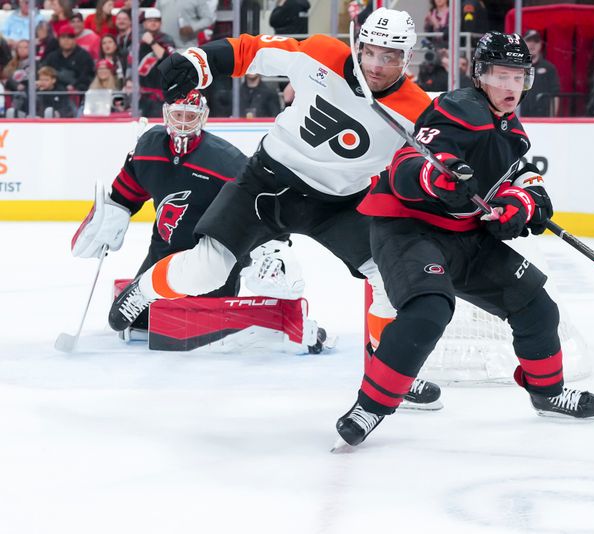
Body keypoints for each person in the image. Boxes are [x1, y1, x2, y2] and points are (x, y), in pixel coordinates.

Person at [107, 7, 442, 409]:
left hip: (340, 201)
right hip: (267, 182)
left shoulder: (419, 111)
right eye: (370, 51)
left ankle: (390, 373)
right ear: (357, 45)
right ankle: (141, 290)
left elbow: (442, 163)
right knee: (206, 269)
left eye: (390, 56)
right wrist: (197, 61)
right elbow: (252, 51)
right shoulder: (321, 52)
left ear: (407, 58)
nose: (377, 64)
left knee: (389, 280)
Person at [334, 31, 594, 448]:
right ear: (480, 76)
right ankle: (370, 406)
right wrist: (438, 177)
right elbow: (411, 165)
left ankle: (548, 393)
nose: (511, 87)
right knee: (428, 310)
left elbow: (521, 180)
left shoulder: (513, 131)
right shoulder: (456, 109)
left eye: (519, 78)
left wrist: (523, 205)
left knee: (537, 306)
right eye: (501, 76)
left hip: (462, 237)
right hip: (409, 227)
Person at [71, 91, 249, 330]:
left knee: (202, 323)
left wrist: (265, 250)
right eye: (178, 114)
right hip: (163, 252)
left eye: (190, 116)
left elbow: (254, 205)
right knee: (141, 322)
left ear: (203, 117)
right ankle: (147, 288)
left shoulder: (226, 161)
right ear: (166, 114)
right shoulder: (148, 148)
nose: (183, 122)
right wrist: (111, 217)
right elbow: (127, 192)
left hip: (209, 256)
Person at [136, 8, 176, 117]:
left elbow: (169, 59)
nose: (153, 23)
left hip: (160, 94)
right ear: (144, 23)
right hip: (141, 94)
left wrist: (152, 42)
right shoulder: (137, 41)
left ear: (161, 23)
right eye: (150, 20)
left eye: (156, 20)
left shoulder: (166, 39)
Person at [42, 25, 95, 93]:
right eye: (63, 37)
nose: (66, 40)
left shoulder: (84, 56)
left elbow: (86, 79)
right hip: (53, 94)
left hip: (77, 94)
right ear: (58, 39)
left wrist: (74, 86)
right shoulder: (52, 57)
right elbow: (44, 74)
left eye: (70, 37)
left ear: (75, 39)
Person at [518, 29, 560, 117]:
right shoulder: (516, 67)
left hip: (543, 119)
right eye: (529, 40)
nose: (532, 44)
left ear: (541, 45)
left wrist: (553, 119)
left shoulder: (549, 68)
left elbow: (555, 95)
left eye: (536, 41)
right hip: (520, 118)